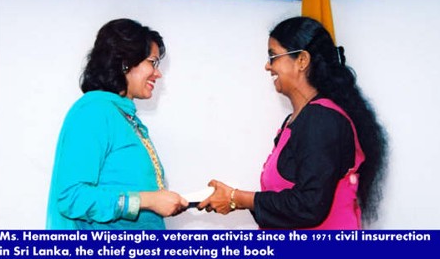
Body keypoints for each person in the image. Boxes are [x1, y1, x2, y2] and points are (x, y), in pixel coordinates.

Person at [198, 16, 388, 229]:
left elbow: (309, 206)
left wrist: (238, 198)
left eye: (273, 57)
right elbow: (285, 204)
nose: (267, 66)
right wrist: (235, 199)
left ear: (302, 61)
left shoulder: (322, 120)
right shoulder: (296, 120)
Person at [46, 18, 188, 229]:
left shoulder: (124, 117)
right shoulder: (93, 112)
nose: (158, 73)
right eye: (152, 62)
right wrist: (148, 200)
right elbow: (71, 196)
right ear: (125, 62)